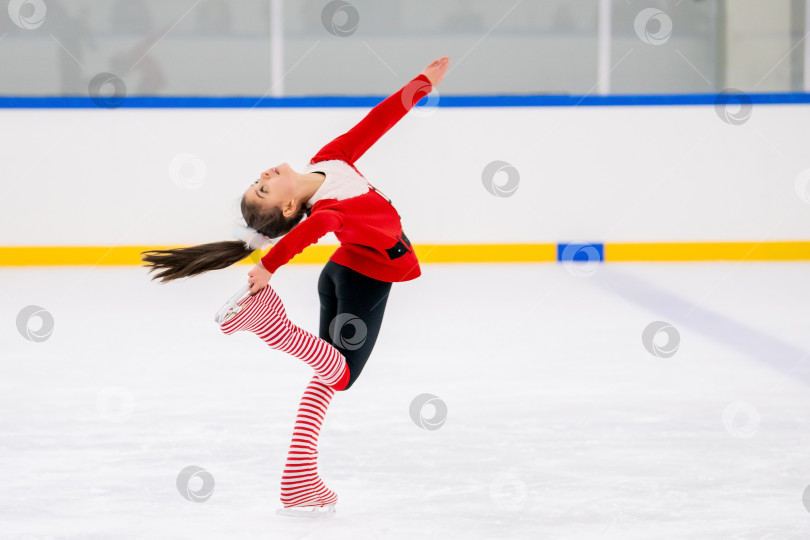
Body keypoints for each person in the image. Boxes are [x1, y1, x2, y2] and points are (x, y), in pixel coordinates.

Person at [141, 56, 451, 516]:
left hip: (344, 271)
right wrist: (268, 268)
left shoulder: (332, 159)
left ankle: (299, 480)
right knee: (341, 374)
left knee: (326, 372)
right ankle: (269, 325)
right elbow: (312, 230)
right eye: (264, 189)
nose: (264, 176)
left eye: (258, 182)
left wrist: (422, 83)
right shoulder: (326, 209)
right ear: (288, 208)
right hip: (364, 279)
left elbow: (376, 121)